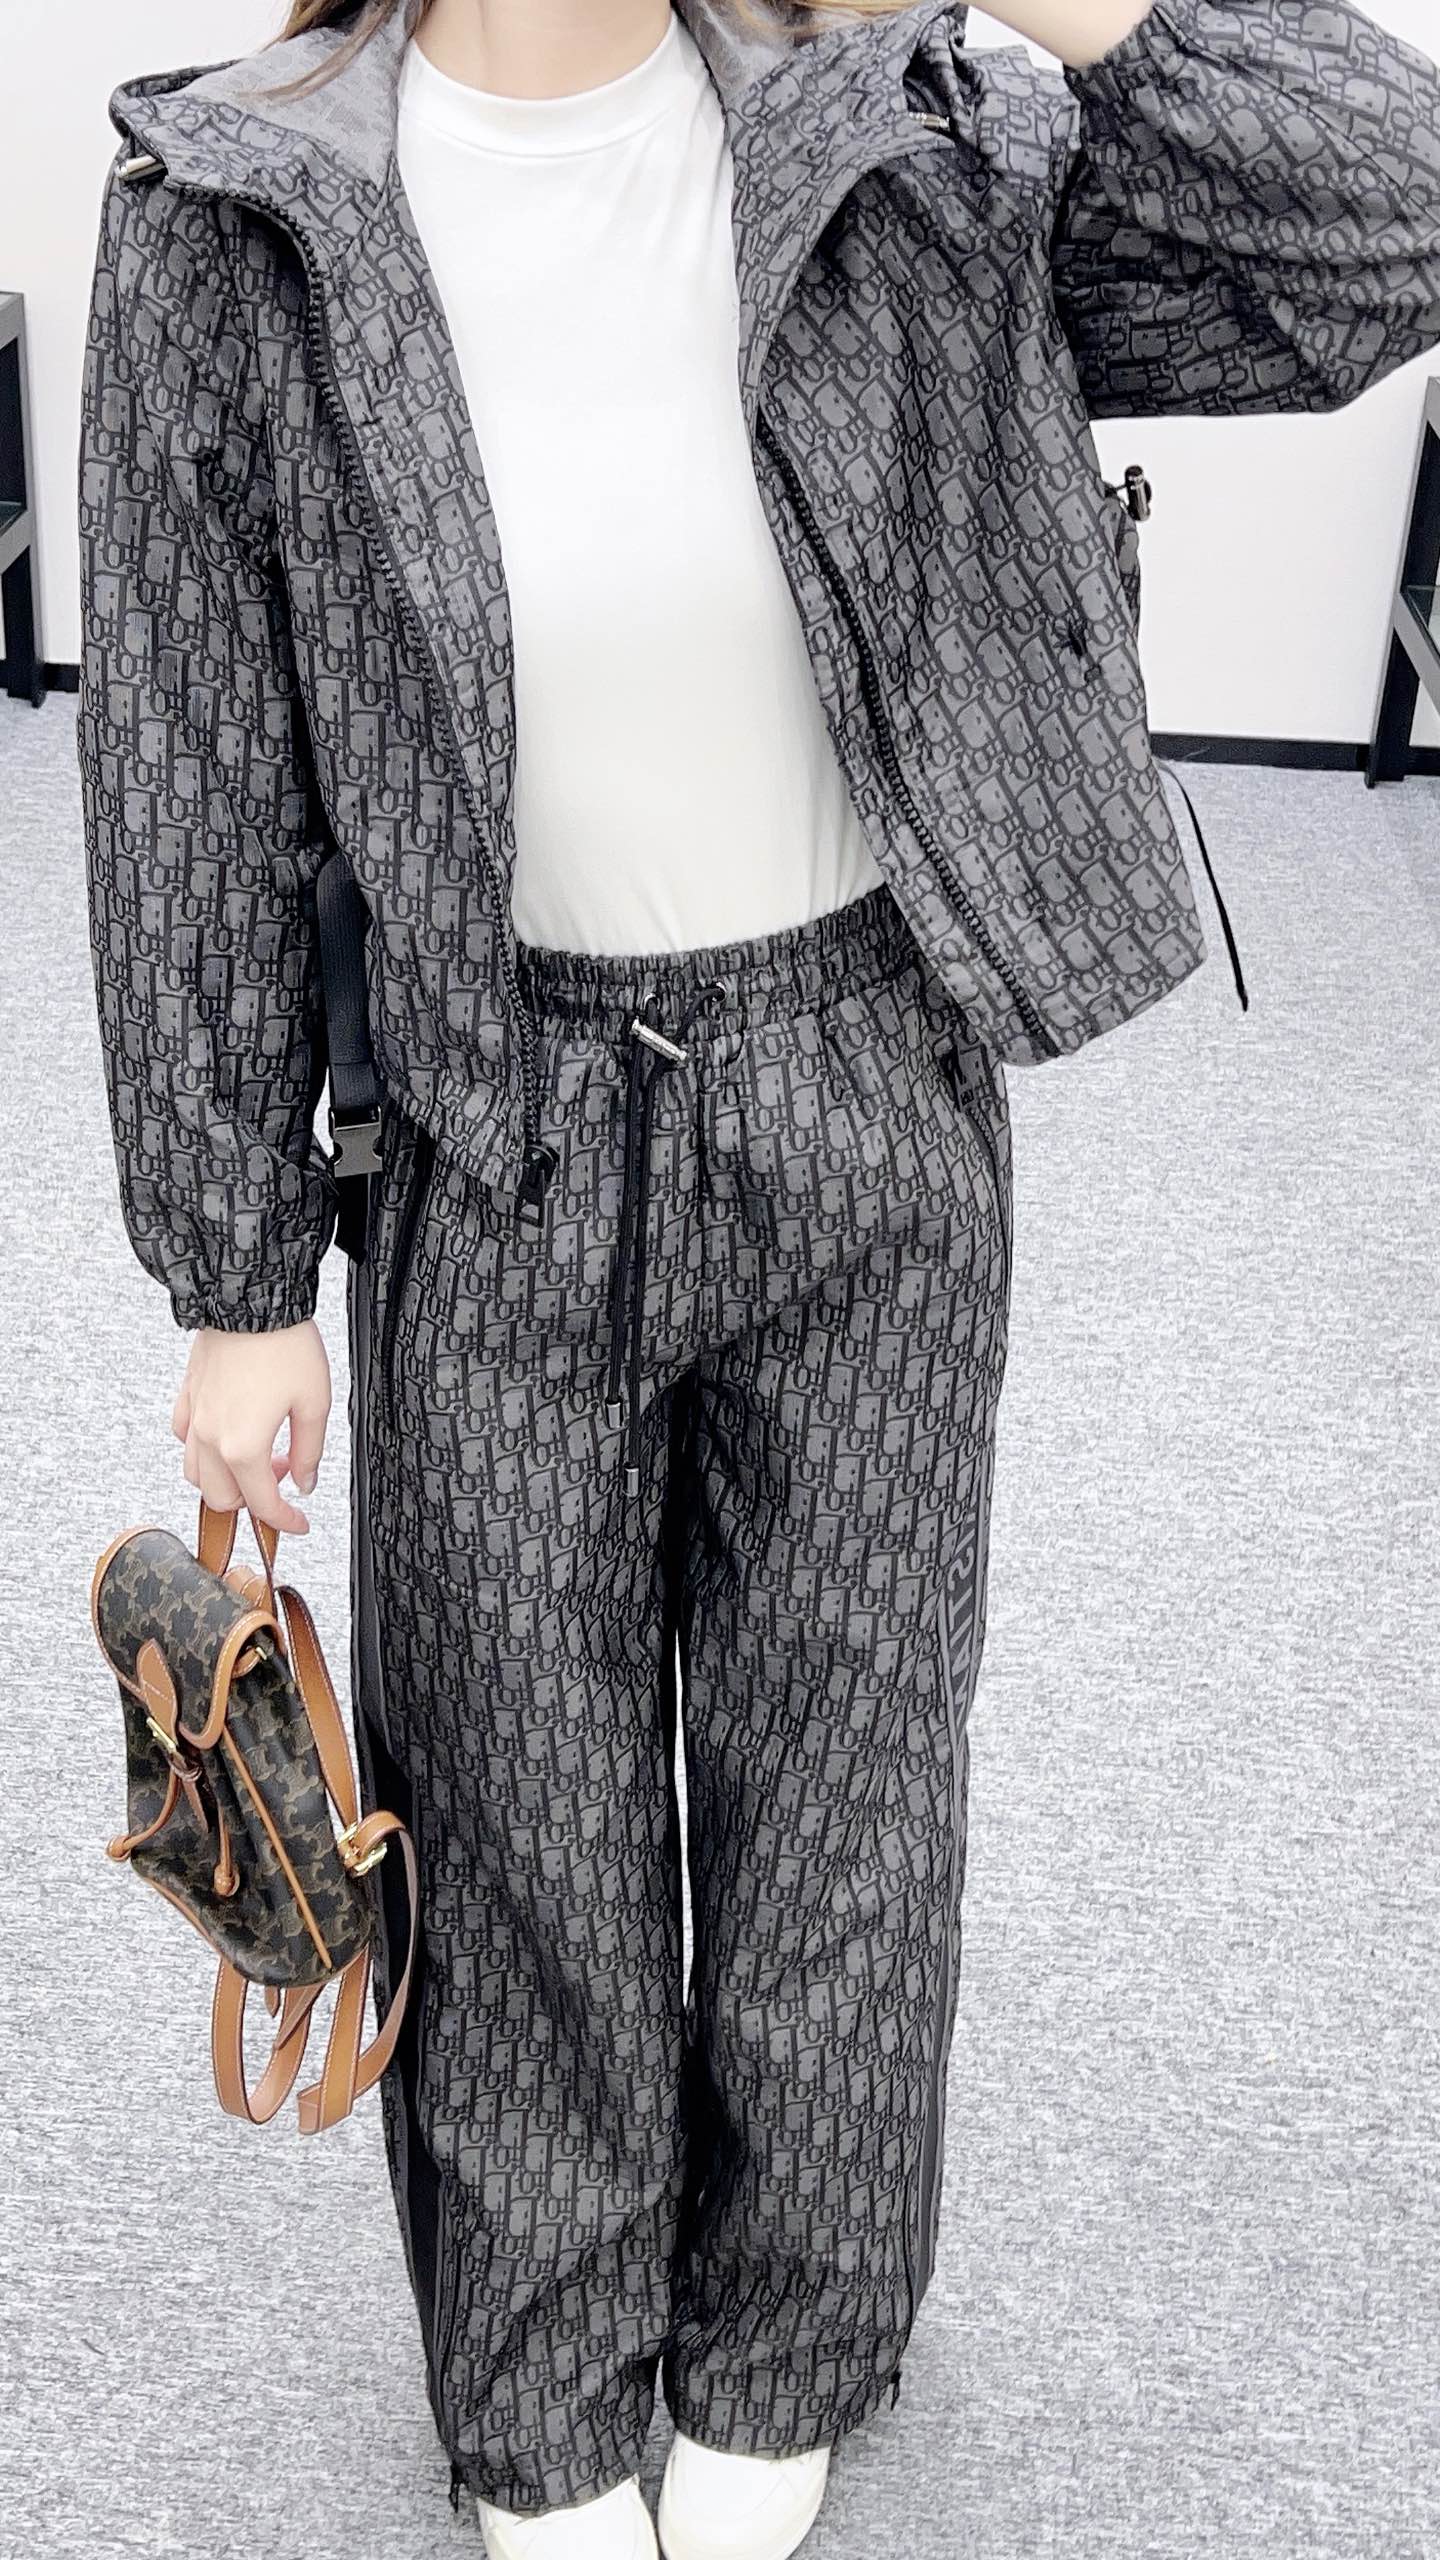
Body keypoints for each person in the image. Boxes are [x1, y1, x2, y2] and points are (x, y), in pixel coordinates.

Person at [75, 1, 1440, 2554]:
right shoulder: (236, 210)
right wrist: (236, 1272)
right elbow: (187, 767)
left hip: (864, 1085)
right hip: (491, 1120)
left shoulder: (914, 135)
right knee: (516, 1800)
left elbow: (1397, 207)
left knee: (848, 1766)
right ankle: (543, 2390)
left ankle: (791, 2332)